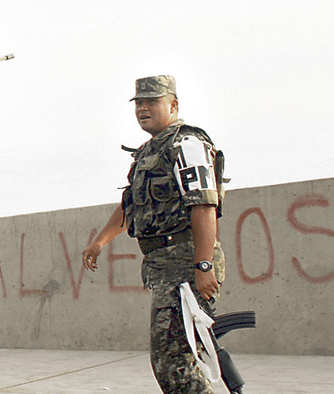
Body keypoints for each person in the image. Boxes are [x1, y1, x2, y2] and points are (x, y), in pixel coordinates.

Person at [81, 75, 226, 394]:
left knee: (172, 362)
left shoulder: (187, 144)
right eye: (139, 103)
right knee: (176, 360)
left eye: (152, 102)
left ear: (173, 105)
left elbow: (203, 206)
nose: (143, 108)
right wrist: (99, 241)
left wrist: (202, 267)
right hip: (162, 266)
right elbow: (129, 205)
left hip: (186, 263)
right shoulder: (147, 153)